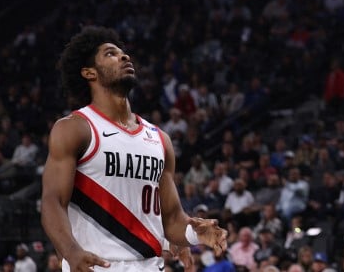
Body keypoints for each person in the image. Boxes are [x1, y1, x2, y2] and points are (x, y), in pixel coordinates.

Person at [41, 26, 227, 272]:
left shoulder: (160, 139)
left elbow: (171, 219)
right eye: (110, 54)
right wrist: (71, 251)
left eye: (123, 53)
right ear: (89, 73)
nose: (124, 57)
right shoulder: (76, 129)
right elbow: (52, 201)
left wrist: (195, 234)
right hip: (94, 265)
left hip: (149, 265)